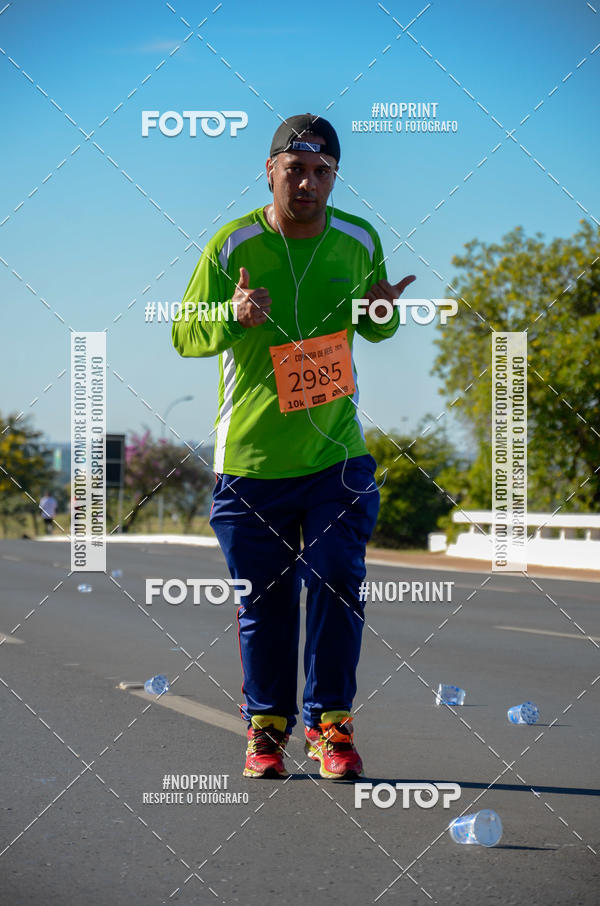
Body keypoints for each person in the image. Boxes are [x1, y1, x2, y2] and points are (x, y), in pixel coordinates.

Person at [172, 113, 415, 779]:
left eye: (322, 171)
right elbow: (184, 335)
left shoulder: (359, 240)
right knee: (265, 603)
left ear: (335, 176)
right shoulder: (233, 244)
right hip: (251, 464)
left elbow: (376, 326)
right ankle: (266, 729)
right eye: (295, 169)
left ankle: (331, 725)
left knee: (337, 577)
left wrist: (383, 313)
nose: (307, 182)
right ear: (271, 171)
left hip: (335, 455)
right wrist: (232, 313)